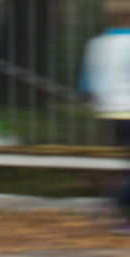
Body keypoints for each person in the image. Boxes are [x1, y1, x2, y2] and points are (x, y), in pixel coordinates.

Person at [80, 0, 130, 232]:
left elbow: (87, 84)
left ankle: (115, 206)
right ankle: (115, 203)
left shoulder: (97, 44)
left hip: (110, 112)